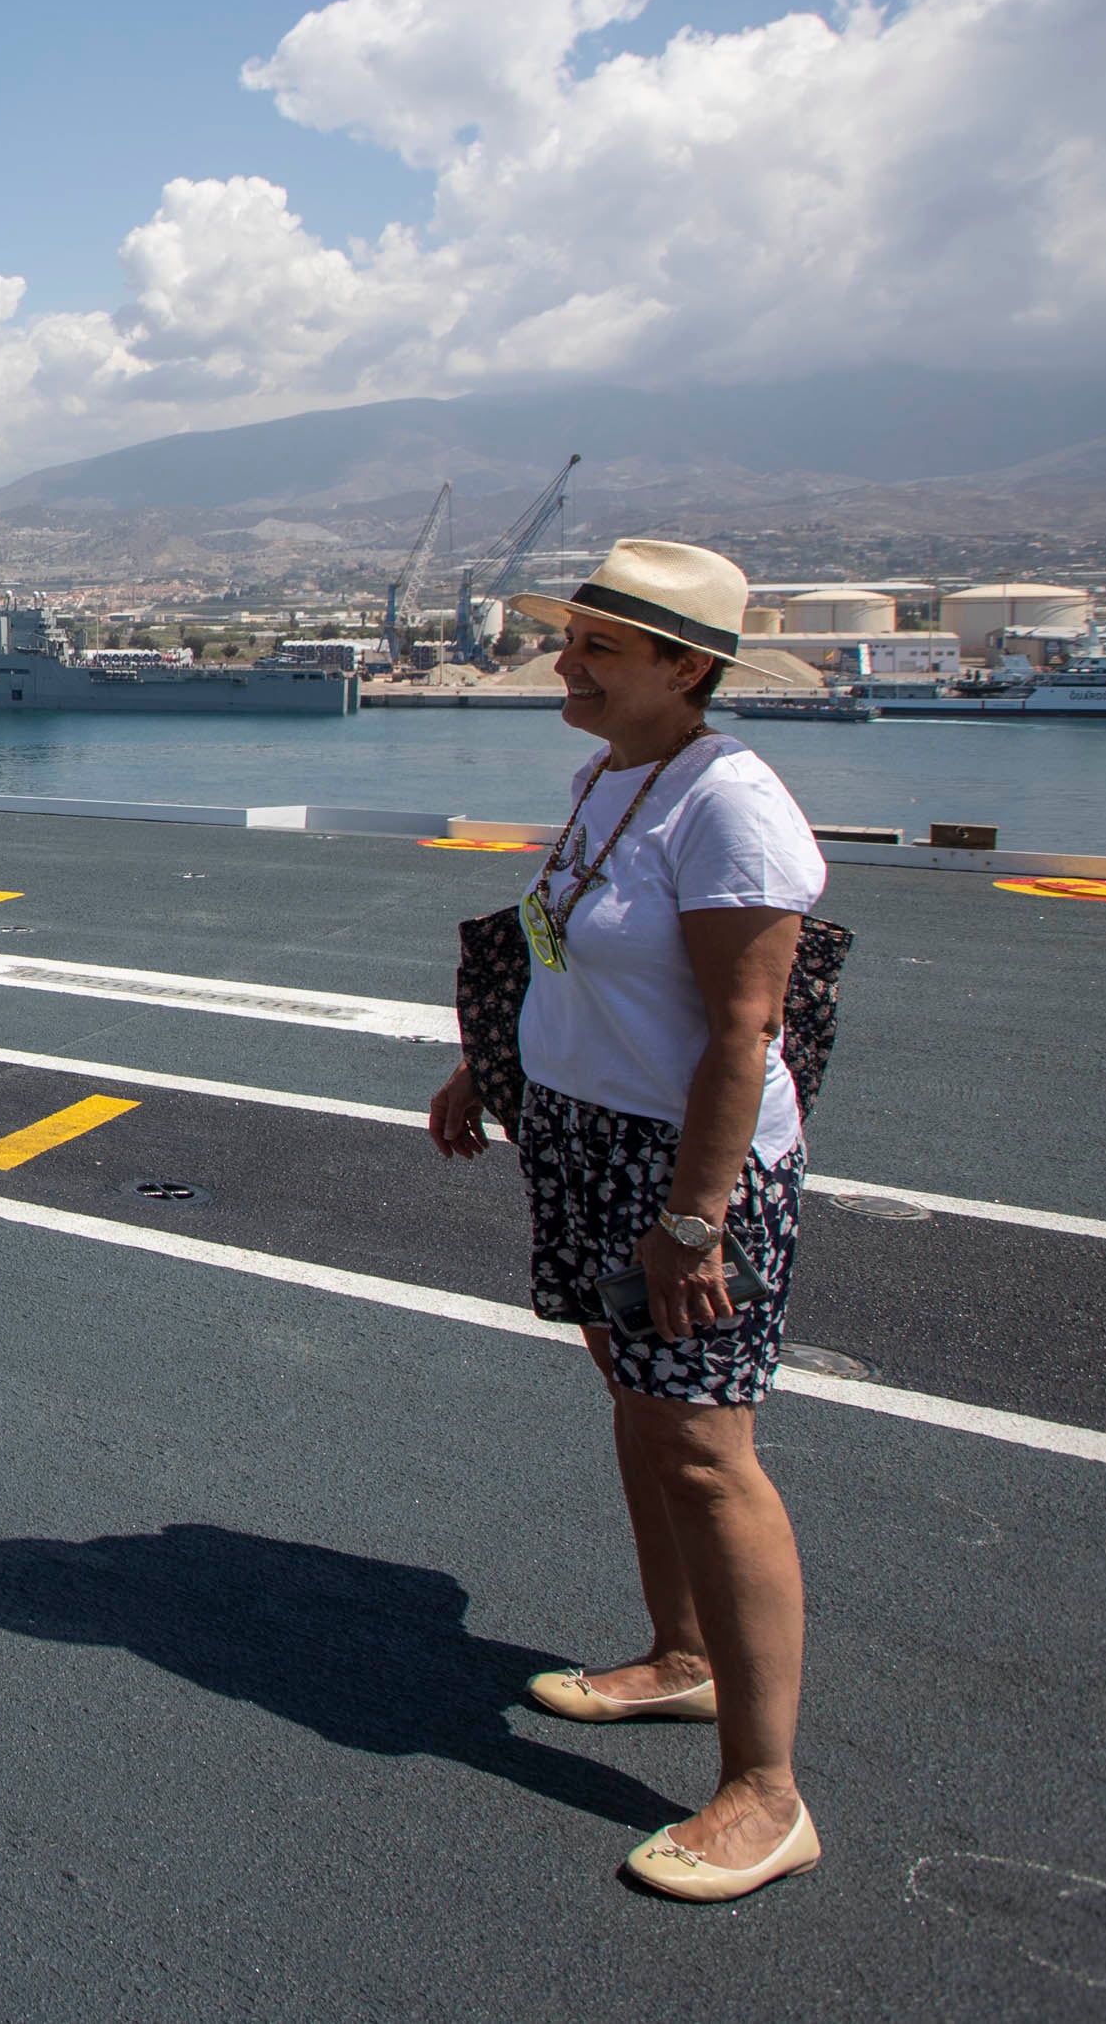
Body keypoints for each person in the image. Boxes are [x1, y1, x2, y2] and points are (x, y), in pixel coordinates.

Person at [424, 539, 834, 1904]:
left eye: (602, 643)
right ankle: (680, 1652)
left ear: (688, 667)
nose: (568, 659)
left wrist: (697, 1218)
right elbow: (566, 938)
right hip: (591, 1142)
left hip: (689, 1168)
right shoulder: (615, 776)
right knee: (636, 1395)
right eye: (576, 634)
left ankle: (768, 1794)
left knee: (711, 1449)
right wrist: (492, 1063)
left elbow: (742, 1029)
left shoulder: (732, 805)